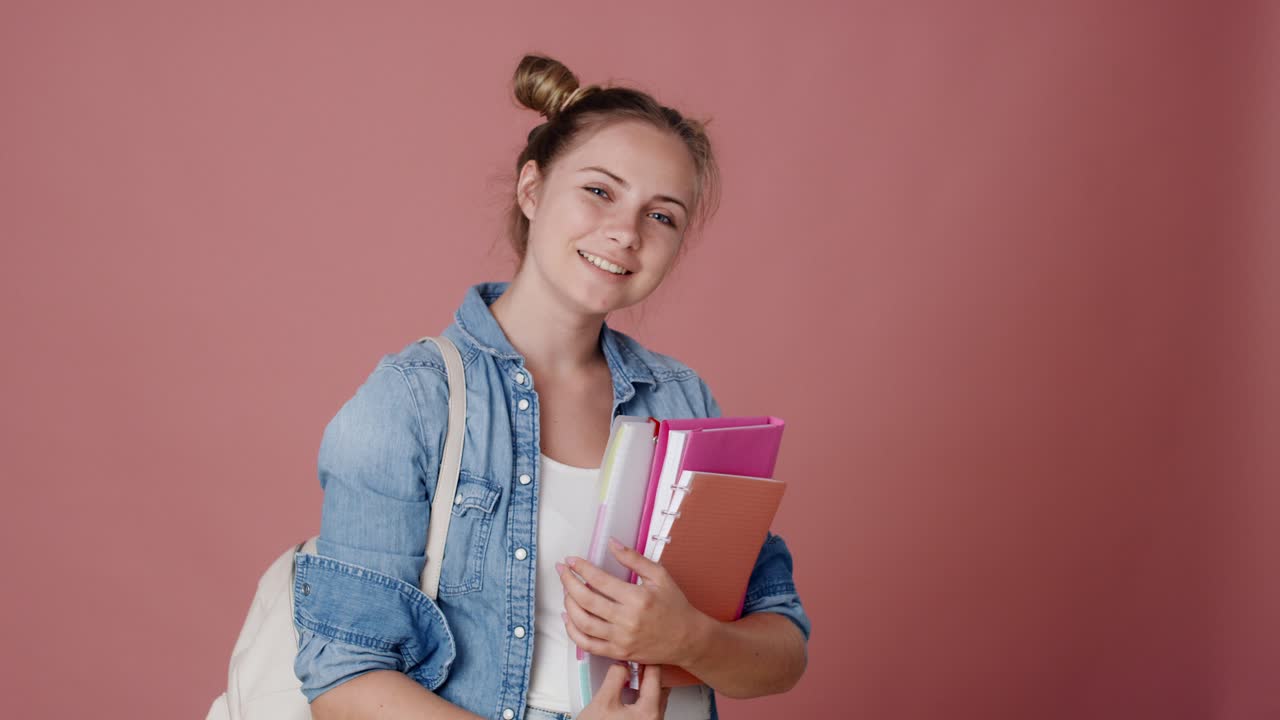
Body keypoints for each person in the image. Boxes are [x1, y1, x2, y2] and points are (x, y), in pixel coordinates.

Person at [291, 54, 812, 720]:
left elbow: (783, 647)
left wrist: (690, 638)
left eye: (663, 216)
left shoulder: (683, 401)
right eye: (600, 191)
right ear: (532, 190)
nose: (626, 232)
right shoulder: (413, 402)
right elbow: (342, 682)